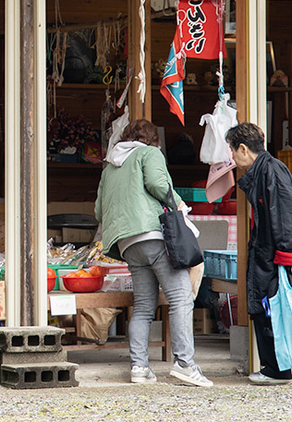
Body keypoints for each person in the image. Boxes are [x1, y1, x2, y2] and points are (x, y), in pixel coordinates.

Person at [94, 118, 214, 388]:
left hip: (128, 245)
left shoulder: (110, 167)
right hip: (153, 235)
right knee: (181, 299)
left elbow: (98, 212)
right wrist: (180, 205)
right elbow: (158, 184)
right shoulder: (149, 153)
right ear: (153, 140)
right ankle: (185, 365)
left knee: (144, 307)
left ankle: (139, 367)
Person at [227, 122, 292, 386]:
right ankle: (274, 368)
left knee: (273, 310)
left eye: (232, 151)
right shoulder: (264, 170)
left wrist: (286, 256)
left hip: (278, 255)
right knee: (268, 309)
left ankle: (277, 369)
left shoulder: (271, 170)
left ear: (243, 148)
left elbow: (287, 214)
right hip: (271, 252)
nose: (232, 158)